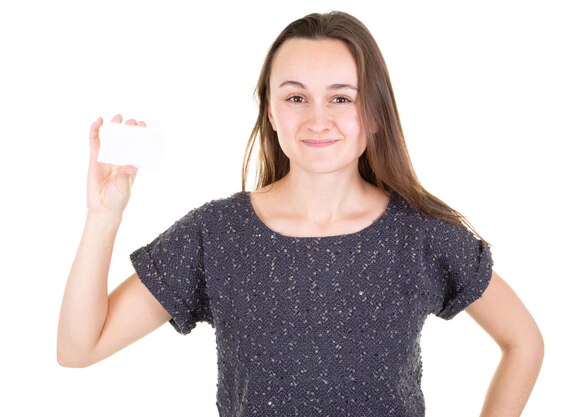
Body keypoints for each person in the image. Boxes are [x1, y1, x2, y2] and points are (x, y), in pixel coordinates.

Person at [57, 10, 543, 417]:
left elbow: (523, 342)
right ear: (270, 112)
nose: (317, 119)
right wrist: (103, 217)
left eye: (340, 97)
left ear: (372, 112)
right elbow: (79, 348)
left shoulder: (421, 236)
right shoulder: (217, 235)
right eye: (295, 97)